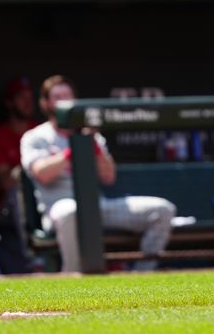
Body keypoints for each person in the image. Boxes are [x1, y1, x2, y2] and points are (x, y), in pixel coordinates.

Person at [20, 75, 176, 271]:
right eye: (58, 97)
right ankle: (73, 276)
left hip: (97, 206)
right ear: (46, 103)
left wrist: (93, 144)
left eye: (68, 96)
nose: (64, 101)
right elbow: (42, 173)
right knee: (70, 211)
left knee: (162, 210)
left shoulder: (90, 136)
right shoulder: (35, 137)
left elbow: (109, 177)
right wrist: (73, 149)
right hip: (58, 209)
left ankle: (141, 278)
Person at [0, 77, 38, 274]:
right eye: (22, 98)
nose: (28, 102)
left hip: (42, 199)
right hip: (6, 210)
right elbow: (5, 181)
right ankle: (32, 258)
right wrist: (34, 167)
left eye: (30, 97)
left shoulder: (39, 131)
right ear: (10, 103)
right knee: (17, 193)